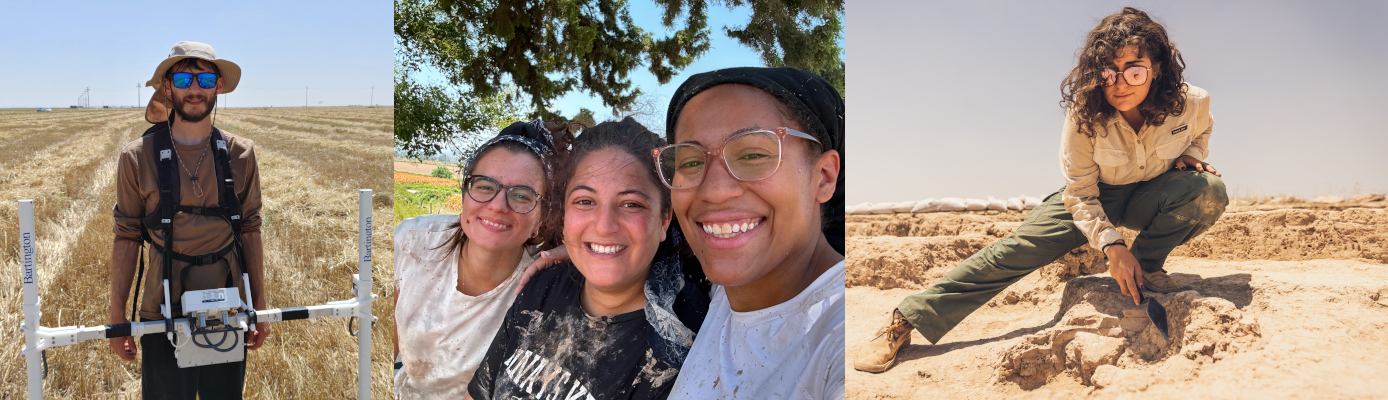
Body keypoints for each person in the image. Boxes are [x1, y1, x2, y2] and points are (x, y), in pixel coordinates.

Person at [853, 7, 1224, 373]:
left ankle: (1144, 266)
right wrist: (1112, 246)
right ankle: (906, 320)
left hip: (1153, 191)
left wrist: (1192, 154)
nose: (1121, 83)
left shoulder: (1191, 101)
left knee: (1208, 190)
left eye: (1135, 70)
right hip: (1095, 196)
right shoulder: (1086, 113)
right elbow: (1080, 193)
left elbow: (1203, 129)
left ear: (1156, 69)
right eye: (1109, 72)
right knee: (1010, 253)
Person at [467, 117, 693, 400]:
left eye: (631, 204)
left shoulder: (681, 350)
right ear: (564, 214)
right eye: (585, 201)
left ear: (664, 219)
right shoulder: (544, 287)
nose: (604, 225)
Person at [659, 67, 847, 399]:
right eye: (689, 162)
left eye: (753, 155)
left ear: (824, 177)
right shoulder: (724, 287)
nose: (714, 190)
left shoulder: (844, 334)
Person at [104, 41, 267, 400]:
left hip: (228, 309)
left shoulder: (241, 154)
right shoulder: (136, 157)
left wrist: (259, 307)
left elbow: (251, 228)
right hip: (161, 311)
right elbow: (127, 236)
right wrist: (118, 319)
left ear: (219, 86)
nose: (195, 89)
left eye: (205, 79)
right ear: (167, 87)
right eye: (183, 78)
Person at [393, 121, 560, 399]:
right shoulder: (413, 242)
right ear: (464, 194)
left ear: (541, 218)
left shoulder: (543, 288)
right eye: (484, 186)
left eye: (521, 195)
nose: (497, 205)